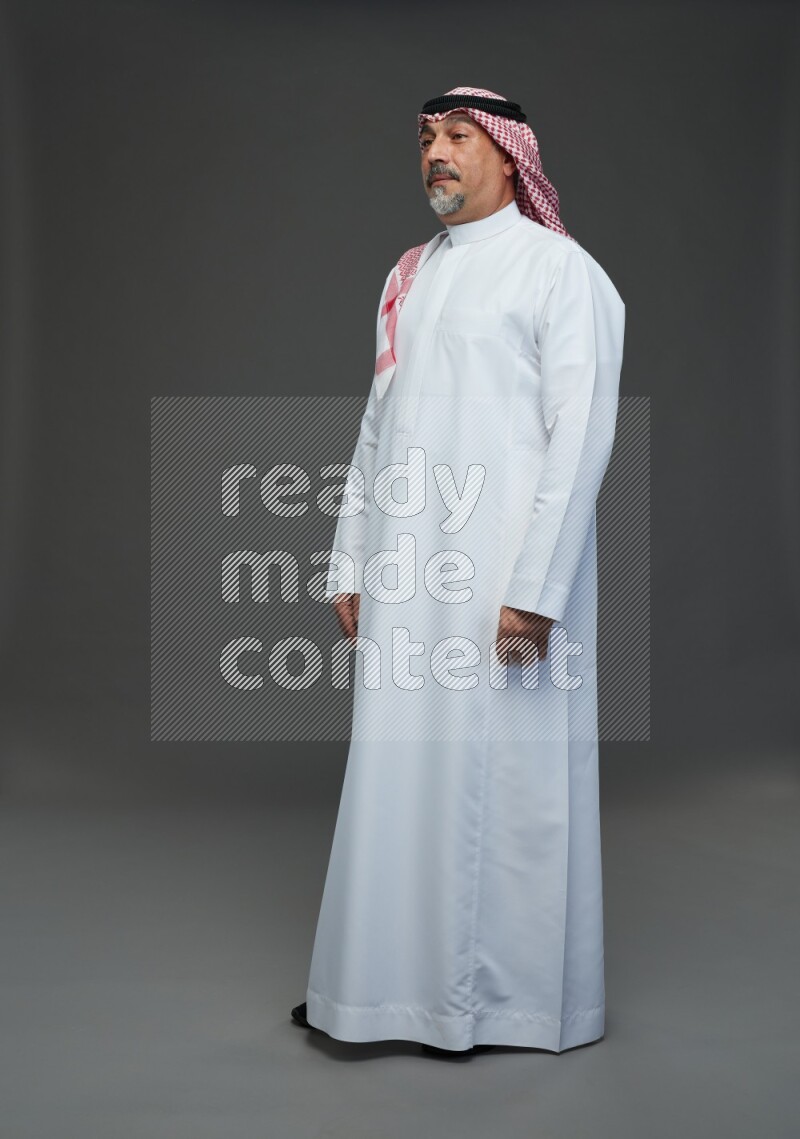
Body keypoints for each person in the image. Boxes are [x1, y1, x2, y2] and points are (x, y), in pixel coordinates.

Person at [292, 86, 625, 1059]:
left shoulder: (560, 273)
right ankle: (380, 995)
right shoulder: (407, 275)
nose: (435, 154)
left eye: (458, 138)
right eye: (427, 139)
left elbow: (582, 436)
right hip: (407, 579)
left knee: (505, 786)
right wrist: (349, 560)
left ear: (509, 156)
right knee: (402, 778)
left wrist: (535, 591)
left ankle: (508, 1007)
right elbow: (376, 427)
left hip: (503, 587)